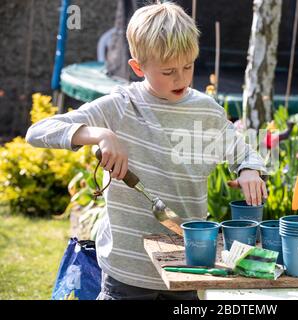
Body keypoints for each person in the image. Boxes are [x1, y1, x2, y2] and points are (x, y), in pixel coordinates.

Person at [26, 2, 268, 300]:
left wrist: (249, 170)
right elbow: (38, 131)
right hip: (128, 269)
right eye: (168, 71)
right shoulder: (121, 106)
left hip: (186, 264)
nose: (181, 78)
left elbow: (244, 151)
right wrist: (101, 134)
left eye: (188, 66)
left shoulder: (206, 112)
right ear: (138, 67)